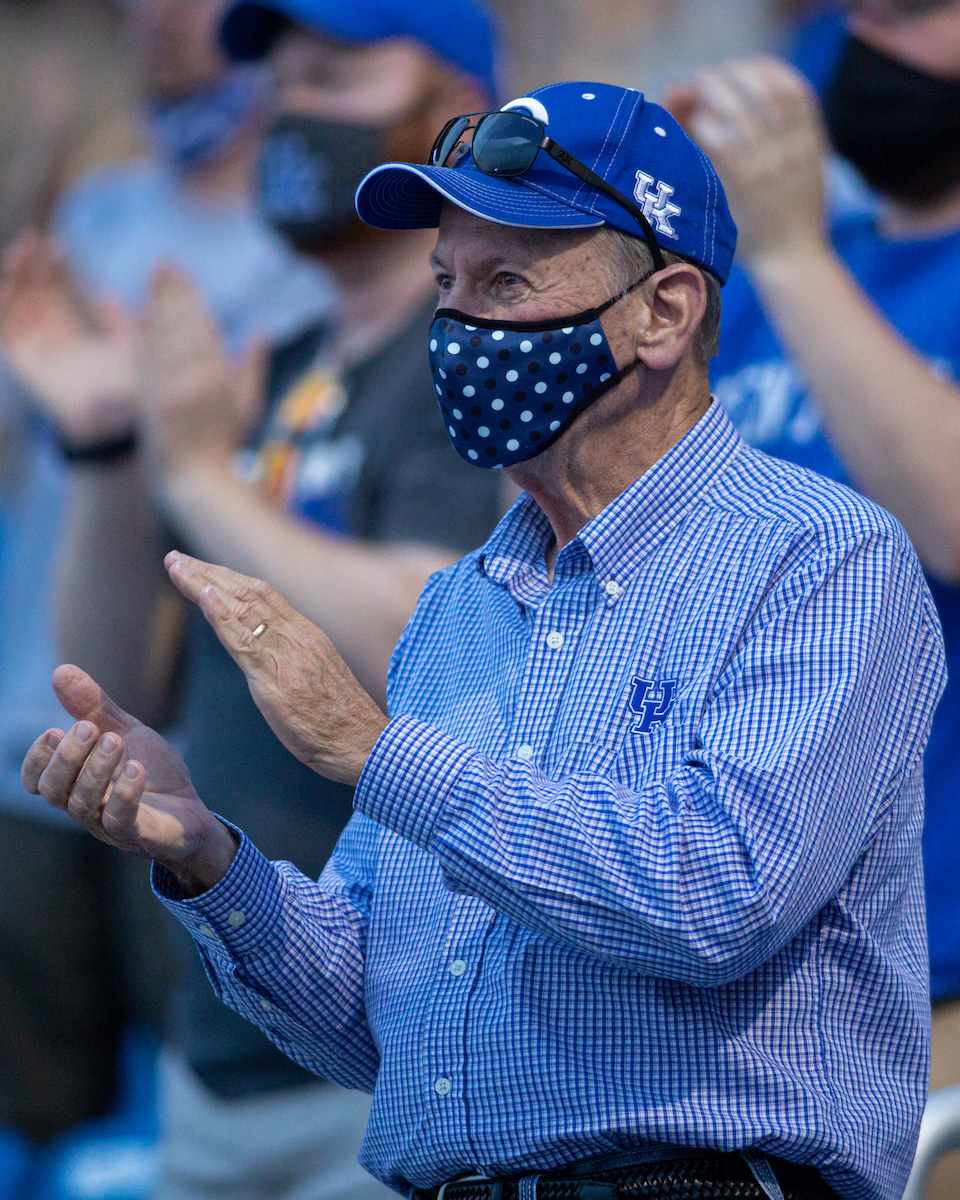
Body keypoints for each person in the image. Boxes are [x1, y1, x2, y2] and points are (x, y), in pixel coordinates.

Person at [22, 80, 946, 1200]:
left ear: (664, 313)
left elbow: (718, 898)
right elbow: (375, 1023)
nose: (461, 330)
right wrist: (206, 856)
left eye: (507, 282)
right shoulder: (462, 604)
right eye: (445, 285)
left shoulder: (818, 557)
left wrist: (374, 750)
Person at [1, 0, 504, 1194]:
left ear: (457, 109)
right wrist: (110, 448)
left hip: (390, 1064)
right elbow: (119, 673)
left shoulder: (478, 363)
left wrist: (199, 482)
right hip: (220, 1047)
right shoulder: (274, 374)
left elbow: (426, 639)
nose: (293, 114)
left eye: (334, 76)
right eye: (282, 85)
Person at [0, 0, 331, 1146]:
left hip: (184, 759)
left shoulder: (310, 247)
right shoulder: (90, 215)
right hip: (26, 730)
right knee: (34, 1121)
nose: (158, 18)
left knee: (176, 1096)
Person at [663, 7, 960, 1194]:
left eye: (913, 7)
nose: (864, 36)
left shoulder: (798, 265)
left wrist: (789, 252)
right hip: (725, 985)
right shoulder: (771, 278)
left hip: (934, 982)